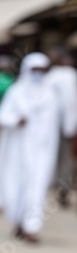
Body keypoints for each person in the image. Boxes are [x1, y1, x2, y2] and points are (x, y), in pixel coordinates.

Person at [0, 52, 61, 244]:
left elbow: (54, 127)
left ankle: (32, 227)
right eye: (35, 69)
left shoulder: (51, 95)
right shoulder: (16, 92)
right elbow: (1, 116)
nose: (38, 73)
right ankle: (17, 221)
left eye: (42, 70)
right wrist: (15, 120)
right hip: (17, 152)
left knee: (37, 188)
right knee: (15, 187)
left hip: (42, 152)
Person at [46, 47, 77, 207]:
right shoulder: (52, 76)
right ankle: (58, 187)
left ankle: (63, 189)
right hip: (52, 125)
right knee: (57, 157)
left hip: (65, 125)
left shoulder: (69, 75)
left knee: (65, 158)